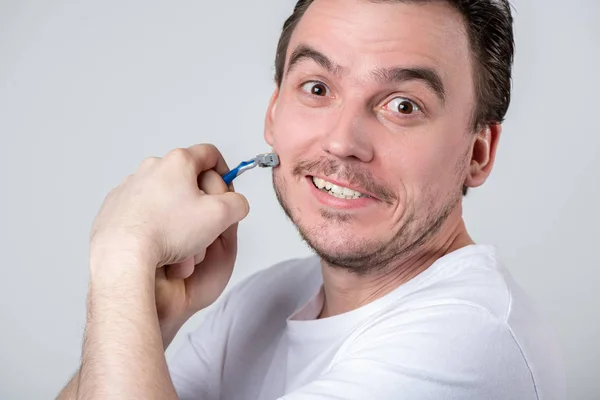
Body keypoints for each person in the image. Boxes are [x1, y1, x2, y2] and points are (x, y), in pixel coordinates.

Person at [57, 0, 566, 399]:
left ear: (478, 151)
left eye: (403, 105)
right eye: (317, 88)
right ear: (274, 113)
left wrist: (123, 260)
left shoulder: (468, 343)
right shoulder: (266, 299)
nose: (342, 141)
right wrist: (151, 315)